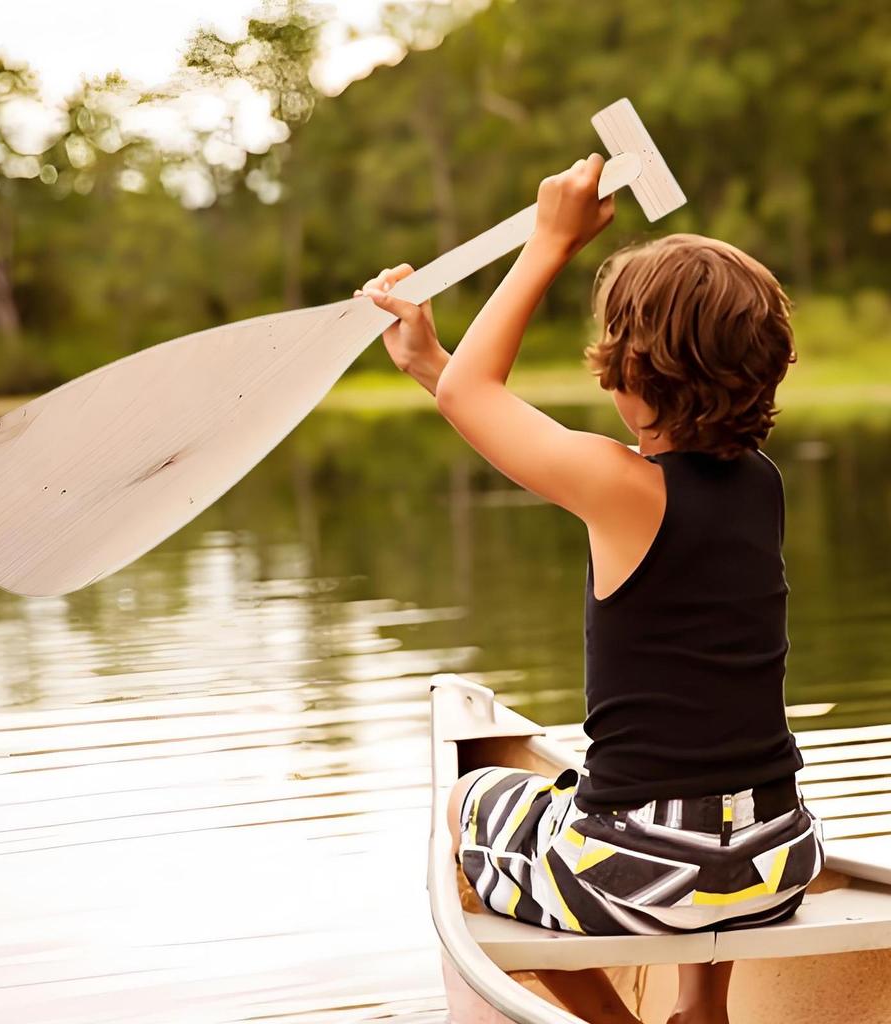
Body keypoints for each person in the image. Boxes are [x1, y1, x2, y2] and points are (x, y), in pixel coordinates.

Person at [353, 153, 826, 1024]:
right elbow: (468, 397)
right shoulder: (762, 482)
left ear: (629, 366)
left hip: (639, 872)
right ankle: (703, 1010)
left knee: (470, 804)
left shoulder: (620, 487)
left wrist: (548, 242)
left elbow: (476, 396)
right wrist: (430, 365)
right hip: (777, 861)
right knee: (668, 794)